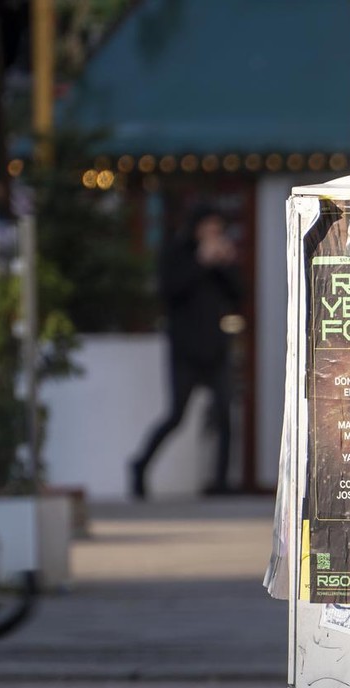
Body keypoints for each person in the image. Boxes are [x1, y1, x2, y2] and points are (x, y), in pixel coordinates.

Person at [129, 207, 239, 499]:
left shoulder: (219, 259)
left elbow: (238, 295)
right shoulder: (178, 252)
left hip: (215, 348)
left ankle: (220, 482)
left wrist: (224, 264)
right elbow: (170, 291)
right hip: (186, 350)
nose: (214, 234)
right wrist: (201, 262)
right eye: (210, 228)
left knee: (225, 414)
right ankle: (140, 466)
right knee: (176, 415)